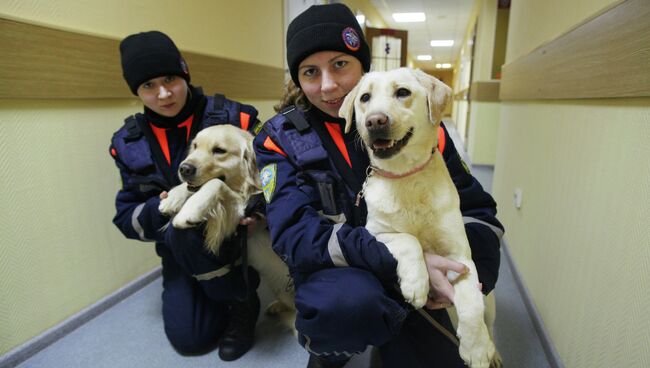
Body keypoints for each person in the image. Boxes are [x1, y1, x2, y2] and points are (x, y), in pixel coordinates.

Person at [253, 4, 504, 368]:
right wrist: (392, 258)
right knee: (345, 311)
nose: (328, 85)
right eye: (310, 72)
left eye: (340, 64)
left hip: (423, 271)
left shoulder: (419, 127)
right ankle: (333, 350)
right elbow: (294, 234)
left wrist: (470, 276)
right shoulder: (280, 139)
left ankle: (401, 333)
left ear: (362, 64)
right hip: (343, 276)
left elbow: (478, 211)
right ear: (298, 79)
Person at [109, 31, 262, 361]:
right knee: (191, 340)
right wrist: (163, 206)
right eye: (148, 86)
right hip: (178, 249)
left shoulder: (236, 118)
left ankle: (242, 301)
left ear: (185, 73)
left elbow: (272, 177)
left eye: (170, 79)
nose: (164, 93)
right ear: (136, 91)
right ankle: (229, 288)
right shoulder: (128, 142)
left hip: (236, 239)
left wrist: (255, 209)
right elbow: (126, 218)